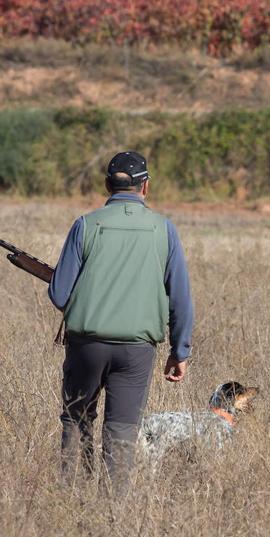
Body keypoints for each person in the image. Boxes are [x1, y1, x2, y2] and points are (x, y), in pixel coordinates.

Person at [48, 151, 193, 489]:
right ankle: (114, 512)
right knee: (122, 431)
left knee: (76, 420)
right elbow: (181, 296)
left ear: (106, 186)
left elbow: (58, 294)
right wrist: (180, 350)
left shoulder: (86, 224)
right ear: (146, 187)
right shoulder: (164, 229)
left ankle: (72, 503)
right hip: (137, 351)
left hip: (87, 346)